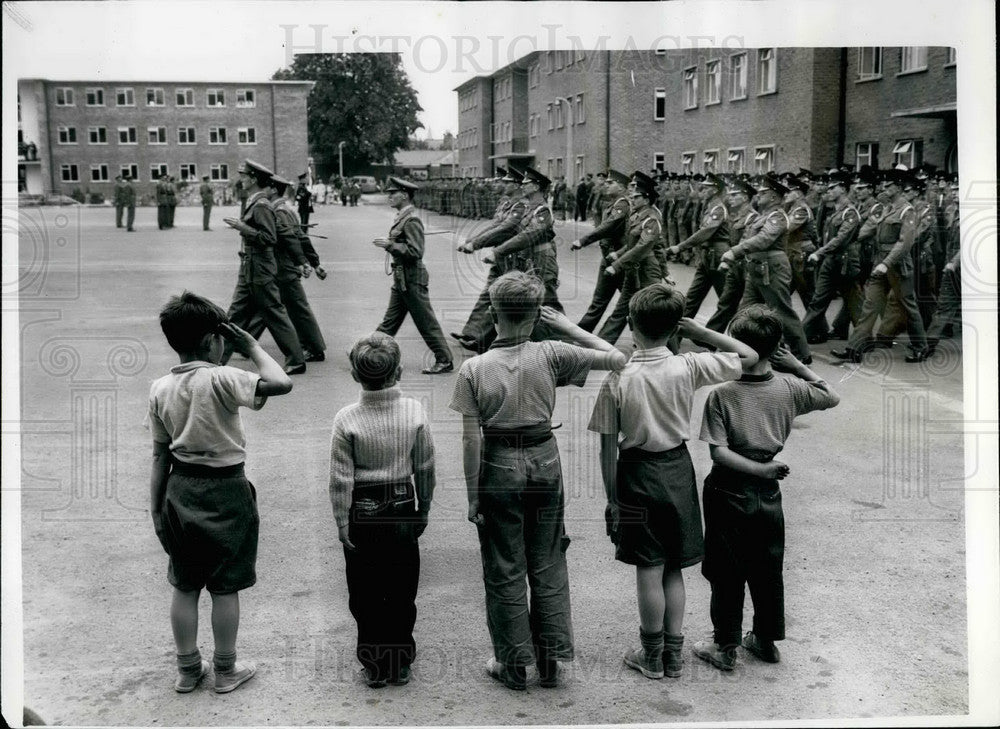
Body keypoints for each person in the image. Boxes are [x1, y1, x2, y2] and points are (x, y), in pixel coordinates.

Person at [449, 271, 628, 691]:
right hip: (544, 456)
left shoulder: (473, 369)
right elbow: (617, 358)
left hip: (498, 462)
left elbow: (471, 439)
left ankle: (513, 664)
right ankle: (550, 661)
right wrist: (566, 326)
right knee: (547, 557)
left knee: (504, 564)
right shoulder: (551, 353)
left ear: (493, 314)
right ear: (535, 317)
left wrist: (474, 496)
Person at [588, 284, 757, 680]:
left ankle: (650, 655)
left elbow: (607, 449)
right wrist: (701, 331)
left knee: (648, 566)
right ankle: (674, 656)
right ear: (675, 328)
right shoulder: (689, 366)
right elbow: (749, 356)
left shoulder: (618, 377)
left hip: (636, 473)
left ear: (631, 326)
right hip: (677, 469)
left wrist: (613, 500)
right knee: (673, 567)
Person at [146, 291, 293, 694]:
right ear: (214, 340)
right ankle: (226, 669)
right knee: (225, 586)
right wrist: (252, 346)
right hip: (227, 489)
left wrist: (156, 509)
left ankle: (187, 669)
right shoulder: (224, 377)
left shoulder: (160, 387)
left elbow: (159, 455)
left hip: (180, 489)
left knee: (185, 584)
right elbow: (281, 382)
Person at [693, 305, 839, 671]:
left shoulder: (722, 394)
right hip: (769, 492)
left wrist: (758, 469)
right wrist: (796, 365)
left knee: (725, 570)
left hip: (728, 489)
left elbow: (719, 453)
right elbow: (830, 395)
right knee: (767, 568)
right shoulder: (789, 388)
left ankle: (725, 646)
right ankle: (765, 640)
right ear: (776, 349)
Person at [329, 332, 436, 688]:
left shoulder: (346, 418)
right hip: (402, 504)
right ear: (399, 372)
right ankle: (400, 660)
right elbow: (425, 465)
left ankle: (374, 663)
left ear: (355, 375)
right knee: (402, 586)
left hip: (362, 510)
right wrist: (424, 505)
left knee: (365, 589)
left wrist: (342, 520)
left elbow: (340, 477)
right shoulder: (414, 411)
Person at [832, 169, 930, 363]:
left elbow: (905, 243)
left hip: (898, 265)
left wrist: (886, 263)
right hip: (880, 262)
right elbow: (872, 231)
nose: (884, 188)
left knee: (908, 306)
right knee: (870, 305)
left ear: (899, 187)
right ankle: (854, 348)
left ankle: (921, 347)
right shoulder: (887, 208)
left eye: (889, 185)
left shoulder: (907, 210)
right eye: (884, 184)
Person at [222, 159, 307, 375]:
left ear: (253, 179)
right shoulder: (255, 202)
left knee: (273, 313)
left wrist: (242, 227)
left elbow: (269, 238)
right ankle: (216, 360)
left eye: (244, 176)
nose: (241, 179)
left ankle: (296, 359)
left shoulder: (261, 205)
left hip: (260, 268)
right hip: (250, 266)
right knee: (235, 315)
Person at [718, 174, 812, 364]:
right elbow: (748, 238)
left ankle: (801, 354)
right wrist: (734, 256)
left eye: (763, 193)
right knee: (745, 311)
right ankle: (734, 350)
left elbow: (764, 239)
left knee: (781, 311)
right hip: (757, 268)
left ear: (773, 197)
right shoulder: (762, 216)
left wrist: (735, 251)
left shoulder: (777, 216)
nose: (758, 195)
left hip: (772, 268)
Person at [374, 177, 454, 375]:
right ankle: (369, 353)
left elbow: (416, 251)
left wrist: (390, 245)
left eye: (393, 193)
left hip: (412, 278)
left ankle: (445, 359)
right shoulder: (403, 218)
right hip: (402, 278)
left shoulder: (411, 220)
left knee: (426, 322)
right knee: (390, 321)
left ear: (404, 195)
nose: (389, 197)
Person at [244, 174, 328, 363]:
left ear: (273, 190)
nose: (261, 191)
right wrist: (313, 263)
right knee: (272, 306)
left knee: (297, 309)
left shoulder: (280, 211)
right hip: (279, 266)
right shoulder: (279, 208)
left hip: (284, 267)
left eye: (265, 187)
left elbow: (296, 238)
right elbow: (300, 237)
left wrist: (311, 263)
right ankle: (244, 343)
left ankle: (314, 348)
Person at [801, 170, 862, 343]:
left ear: (843, 189)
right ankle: (800, 337)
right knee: (818, 301)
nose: (829, 191)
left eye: (833, 187)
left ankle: (863, 340)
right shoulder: (834, 211)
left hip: (845, 262)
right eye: (828, 188)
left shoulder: (850, 213)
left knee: (855, 304)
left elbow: (841, 239)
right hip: (831, 261)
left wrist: (819, 253)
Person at [570, 169, 632, 333]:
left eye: (611, 183)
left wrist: (583, 240)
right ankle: (582, 333)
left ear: (621, 187)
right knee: (600, 300)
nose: (606, 185)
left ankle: (655, 333)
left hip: (619, 260)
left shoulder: (623, 205)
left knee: (632, 302)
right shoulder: (613, 204)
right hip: (609, 259)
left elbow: (608, 226)